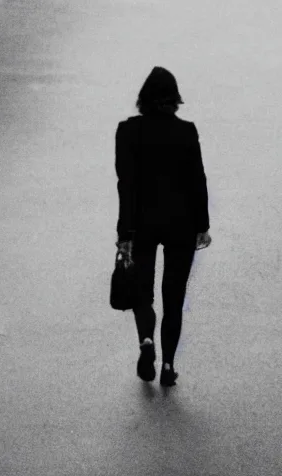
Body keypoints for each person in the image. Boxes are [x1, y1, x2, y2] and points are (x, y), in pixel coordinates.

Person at [115, 66, 211, 387]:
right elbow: (198, 181)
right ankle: (168, 365)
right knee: (174, 297)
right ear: (174, 101)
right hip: (181, 225)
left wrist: (124, 233)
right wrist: (202, 225)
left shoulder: (128, 132)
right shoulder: (186, 133)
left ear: (143, 100)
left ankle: (146, 341)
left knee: (143, 292)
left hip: (142, 224)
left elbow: (125, 185)